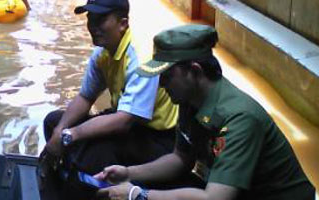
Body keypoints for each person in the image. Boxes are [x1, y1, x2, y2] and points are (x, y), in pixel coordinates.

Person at [96, 24, 316, 200]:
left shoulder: (240, 118)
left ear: (194, 71)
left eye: (167, 76)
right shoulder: (188, 100)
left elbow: (216, 198)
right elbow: (180, 159)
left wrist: (139, 195)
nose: (161, 84)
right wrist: (129, 173)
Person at [40, 0, 178, 199]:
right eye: (90, 19)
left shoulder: (140, 57)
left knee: (91, 151)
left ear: (123, 24)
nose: (93, 27)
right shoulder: (102, 54)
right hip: (128, 125)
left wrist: (70, 135)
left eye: (101, 20)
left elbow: (124, 121)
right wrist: (60, 131)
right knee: (53, 121)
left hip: (158, 138)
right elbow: (85, 97)